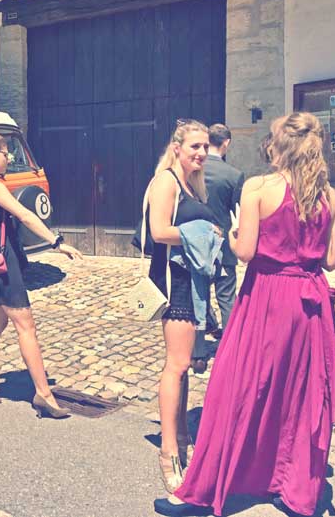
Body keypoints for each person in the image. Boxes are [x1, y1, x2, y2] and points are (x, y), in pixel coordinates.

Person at [155, 113, 335, 517]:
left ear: (279, 145)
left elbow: (244, 251)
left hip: (268, 297)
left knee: (241, 387)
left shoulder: (259, 187)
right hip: (310, 304)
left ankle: (204, 490)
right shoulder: (329, 196)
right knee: (298, 393)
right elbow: (331, 259)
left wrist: (235, 232)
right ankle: (291, 487)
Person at [0, 132, 83, 419]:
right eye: (6, 153)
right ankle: (43, 393)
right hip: (1, 259)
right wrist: (56, 243)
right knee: (25, 325)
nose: (9, 159)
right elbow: (27, 215)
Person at [147, 119, 221, 493]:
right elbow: (159, 231)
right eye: (194, 146)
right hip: (175, 284)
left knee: (187, 366)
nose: (201, 153)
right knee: (175, 366)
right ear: (177, 147)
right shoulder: (166, 183)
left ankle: (185, 435)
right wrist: (204, 234)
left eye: (205, 146)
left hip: (192, 284)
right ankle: (168, 451)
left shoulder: (193, 186)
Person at [203, 124, 244, 340]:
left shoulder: (192, 168)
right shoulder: (234, 175)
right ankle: (231, 342)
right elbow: (238, 211)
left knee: (197, 293)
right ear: (226, 143)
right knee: (226, 296)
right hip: (223, 244)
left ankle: (204, 333)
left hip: (195, 242)